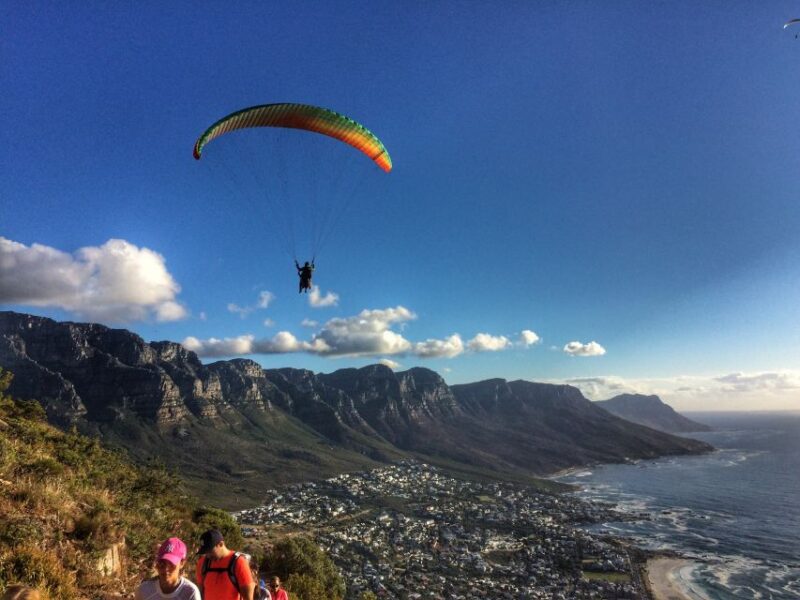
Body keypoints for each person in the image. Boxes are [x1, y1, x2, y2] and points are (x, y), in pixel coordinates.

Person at [195, 529, 255, 600]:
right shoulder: (203, 563)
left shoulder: (238, 562)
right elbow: (199, 592)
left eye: (210, 551)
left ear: (221, 544)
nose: (208, 555)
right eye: (205, 552)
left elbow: (248, 597)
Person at [136, 537, 200, 600]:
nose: (166, 569)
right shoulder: (144, 590)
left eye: (171, 564)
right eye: (162, 563)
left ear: (182, 563)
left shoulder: (190, 593)